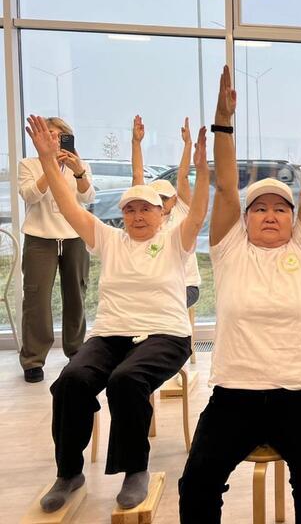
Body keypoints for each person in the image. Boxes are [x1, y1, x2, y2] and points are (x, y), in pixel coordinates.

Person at [25, 113, 209, 513]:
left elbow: (197, 213)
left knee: (126, 380)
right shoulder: (108, 239)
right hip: (110, 334)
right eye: (130, 210)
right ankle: (68, 472)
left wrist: (201, 168)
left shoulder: (175, 240)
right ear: (122, 215)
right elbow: (67, 203)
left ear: (162, 213)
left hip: (165, 334)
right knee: (71, 380)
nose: (138, 216)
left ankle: (135, 469)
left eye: (146, 209)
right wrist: (47, 159)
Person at [178, 68, 301, 524]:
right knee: (197, 485)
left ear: (293, 219)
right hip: (234, 395)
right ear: (245, 219)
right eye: (260, 208)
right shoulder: (229, 250)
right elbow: (226, 187)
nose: (270, 215)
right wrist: (224, 120)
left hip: (298, 395)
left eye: (280, 209)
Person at [17, 117, 95, 383]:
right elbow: (30, 195)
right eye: (49, 134)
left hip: (75, 235)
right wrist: (49, 165)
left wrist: (78, 171)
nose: (54, 140)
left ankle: (76, 351)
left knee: (77, 293)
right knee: (36, 298)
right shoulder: (29, 164)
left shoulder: (78, 163)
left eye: (60, 136)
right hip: (40, 237)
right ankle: (33, 360)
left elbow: (87, 197)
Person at [131, 115, 202, 309]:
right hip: (154, 283)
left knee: (159, 306)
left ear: (174, 199)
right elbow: (137, 176)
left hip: (185, 285)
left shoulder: (182, 211)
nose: (159, 203)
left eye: (164, 199)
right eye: (155, 199)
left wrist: (188, 144)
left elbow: (183, 176)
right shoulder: (146, 215)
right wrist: (136, 143)